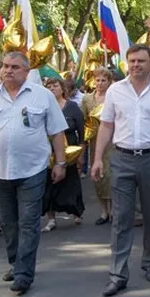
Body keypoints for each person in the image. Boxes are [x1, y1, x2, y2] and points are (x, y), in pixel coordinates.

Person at [0, 51, 68, 295]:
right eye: (5, 66)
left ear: (26, 71)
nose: (8, 70)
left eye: (14, 67)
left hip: (33, 169)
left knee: (28, 222)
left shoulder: (43, 96)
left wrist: (61, 163)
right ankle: (15, 262)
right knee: (9, 222)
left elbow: (57, 132)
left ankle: (24, 273)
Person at [92, 44, 150, 297]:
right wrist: (98, 158)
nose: (136, 65)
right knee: (121, 217)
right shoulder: (115, 91)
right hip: (122, 158)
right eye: (131, 61)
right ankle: (118, 274)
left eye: (141, 61)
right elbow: (106, 126)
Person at [41, 78, 86, 232]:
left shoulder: (71, 107)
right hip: (49, 152)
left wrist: (81, 153)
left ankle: (76, 212)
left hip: (69, 152)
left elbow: (81, 131)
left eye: (55, 85)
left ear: (62, 88)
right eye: (49, 86)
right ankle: (51, 218)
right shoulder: (43, 106)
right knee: (49, 185)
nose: (52, 88)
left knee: (71, 183)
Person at [82, 67, 114, 224]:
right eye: (98, 80)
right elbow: (83, 120)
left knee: (111, 175)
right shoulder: (87, 99)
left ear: (109, 82)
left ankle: (113, 209)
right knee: (98, 176)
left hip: (113, 141)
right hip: (95, 141)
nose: (100, 83)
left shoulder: (113, 97)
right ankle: (103, 211)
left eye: (103, 80)